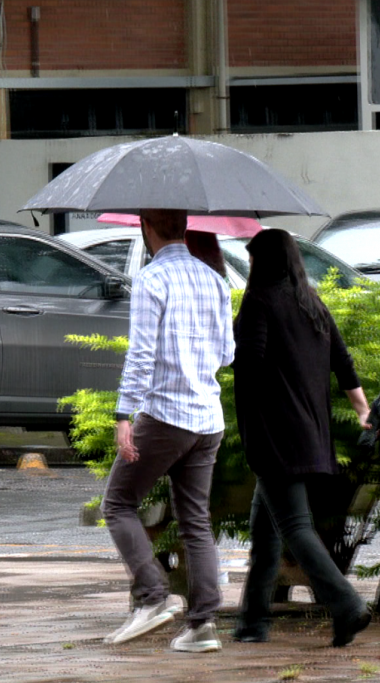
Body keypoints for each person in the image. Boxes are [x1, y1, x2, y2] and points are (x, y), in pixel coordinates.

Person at [102, 209, 235, 653]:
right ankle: (202, 625)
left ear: (146, 229)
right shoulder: (215, 279)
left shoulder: (151, 279)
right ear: (184, 227)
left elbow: (140, 355)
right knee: (195, 521)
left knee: (119, 503)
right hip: (208, 417)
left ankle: (152, 597)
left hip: (164, 415)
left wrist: (124, 414)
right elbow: (227, 353)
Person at [231, 229, 372, 646]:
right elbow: (342, 362)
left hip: (276, 435)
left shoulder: (258, 302)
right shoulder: (311, 303)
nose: (250, 267)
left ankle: (347, 605)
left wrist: (227, 342)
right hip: (310, 432)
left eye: (252, 260)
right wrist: (363, 409)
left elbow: (250, 366)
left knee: (295, 526)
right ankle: (253, 623)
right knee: (266, 531)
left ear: (263, 262)